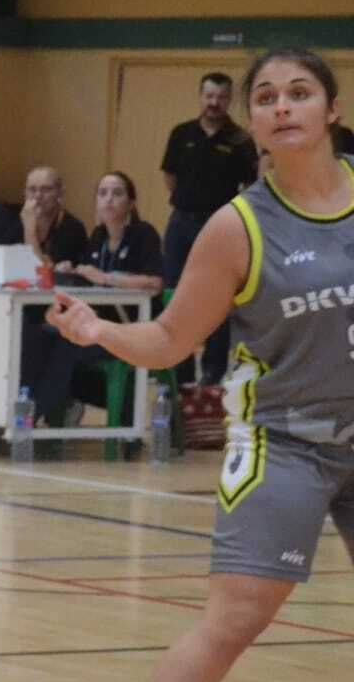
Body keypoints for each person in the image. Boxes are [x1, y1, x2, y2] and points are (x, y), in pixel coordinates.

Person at [49, 48, 354, 682]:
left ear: (330, 109)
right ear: (251, 121)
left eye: (299, 93)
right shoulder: (237, 226)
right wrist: (97, 329)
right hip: (286, 441)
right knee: (234, 618)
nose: (282, 106)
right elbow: (173, 338)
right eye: (266, 97)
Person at [24, 172, 163, 426]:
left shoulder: (144, 234)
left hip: (133, 329)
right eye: (102, 193)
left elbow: (154, 283)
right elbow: (88, 276)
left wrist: (106, 278)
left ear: (131, 203)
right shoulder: (98, 236)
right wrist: (71, 269)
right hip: (100, 325)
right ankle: (38, 407)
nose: (108, 199)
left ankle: (34, 417)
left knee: (65, 344)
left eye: (117, 193)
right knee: (45, 333)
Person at [161, 72, 258, 385]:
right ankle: (181, 370)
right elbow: (171, 178)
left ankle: (213, 374)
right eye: (209, 96)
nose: (214, 103)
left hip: (220, 230)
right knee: (176, 296)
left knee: (218, 301)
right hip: (181, 224)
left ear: (229, 100)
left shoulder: (240, 140)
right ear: (200, 96)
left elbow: (249, 185)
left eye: (221, 97)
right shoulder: (181, 133)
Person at [20, 165, 88, 271]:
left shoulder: (72, 228)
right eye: (32, 190)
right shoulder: (15, 223)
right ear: (25, 193)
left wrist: (29, 229)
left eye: (46, 189)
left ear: (60, 193)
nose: (38, 195)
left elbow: (39, 272)